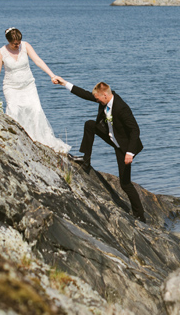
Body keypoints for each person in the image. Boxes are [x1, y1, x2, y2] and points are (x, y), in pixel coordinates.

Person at [53, 76, 145, 222]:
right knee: (90, 125)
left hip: (124, 147)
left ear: (105, 95)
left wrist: (129, 153)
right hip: (111, 136)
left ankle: (140, 216)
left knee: (125, 184)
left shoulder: (121, 108)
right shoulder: (102, 97)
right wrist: (64, 83)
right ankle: (86, 160)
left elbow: (135, 130)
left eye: (98, 99)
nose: (96, 101)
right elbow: (84, 94)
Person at [0, 27, 71, 153]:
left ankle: (38, 141)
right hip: (11, 88)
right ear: (8, 41)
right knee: (14, 111)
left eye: (18, 43)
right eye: (14, 44)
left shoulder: (26, 46)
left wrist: (52, 75)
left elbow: (38, 61)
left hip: (28, 85)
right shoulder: (1, 52)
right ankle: (17, 141)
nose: (17, 45)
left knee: (35, 110)